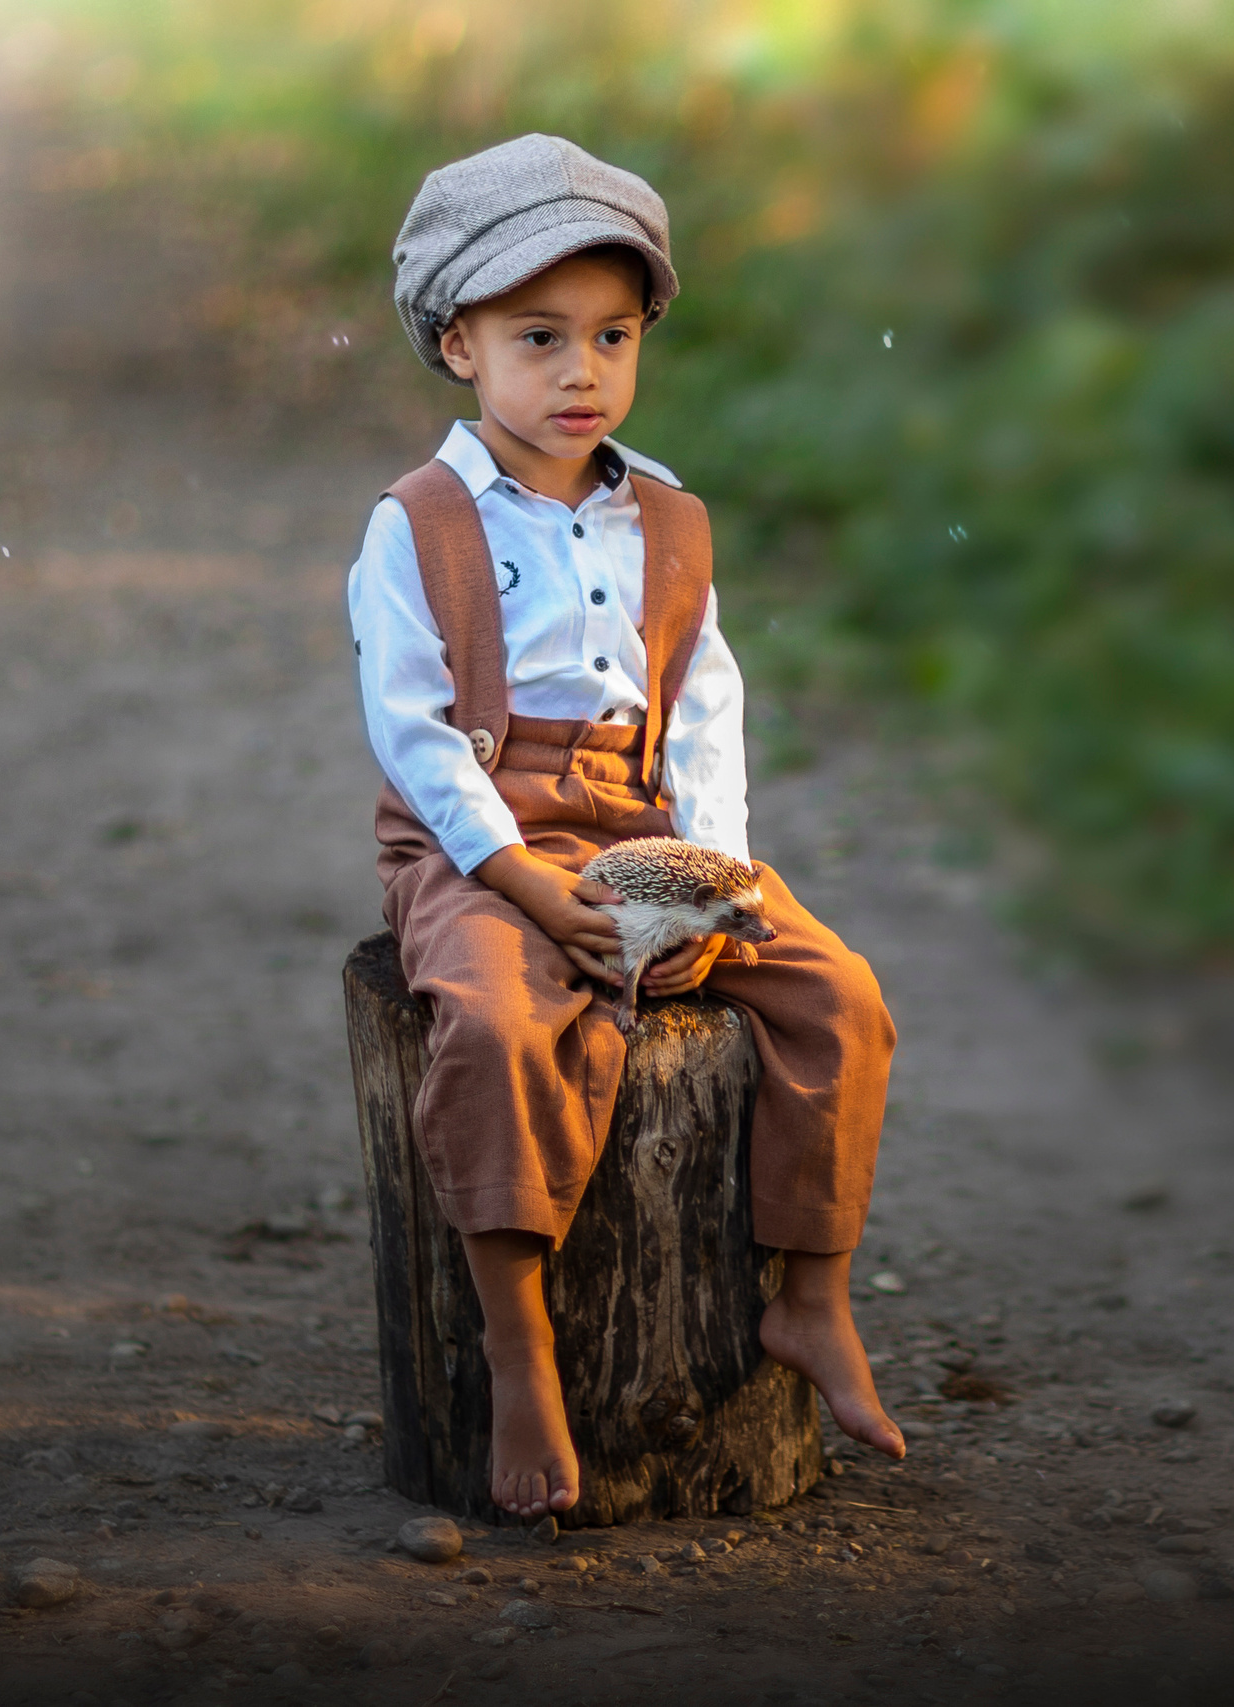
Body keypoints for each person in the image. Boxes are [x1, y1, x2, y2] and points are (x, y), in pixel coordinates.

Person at [347, 134, 904, 1519]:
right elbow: (415, 734)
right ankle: (520, 1339)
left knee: (837, 995)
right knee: (493, 1018)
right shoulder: (415, 524)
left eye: (611, 334)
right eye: (538, 337)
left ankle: (813, 1297)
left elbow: (703, 703)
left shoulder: (668, 519)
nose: (581, 371)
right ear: (456, 342)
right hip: (475, 835)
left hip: (647, 823)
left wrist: (714, 870)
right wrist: (526, 889)